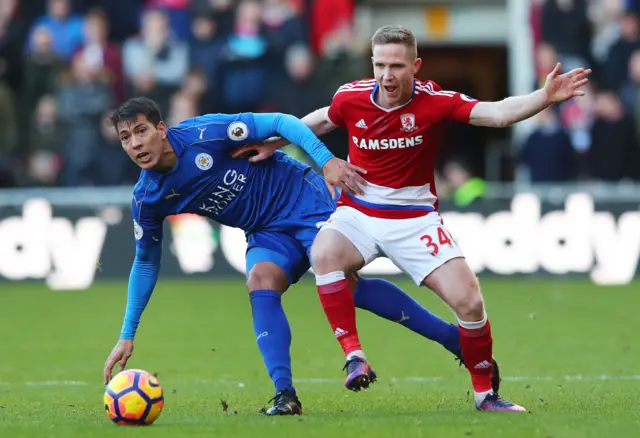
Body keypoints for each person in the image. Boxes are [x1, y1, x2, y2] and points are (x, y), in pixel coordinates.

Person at [233, 25, 591, 412]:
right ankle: (354, 355)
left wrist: (544, 97)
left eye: (397, 66)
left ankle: (486, 395)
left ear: (415, 65)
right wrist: (273, 141)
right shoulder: (351, 98)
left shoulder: (435, 101)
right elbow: (321, 120)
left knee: (469, 303)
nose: (387, 75)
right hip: (360, 211)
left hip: (415, 218)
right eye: (380, 65)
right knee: (324, 253)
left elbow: (496, 114)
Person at [102, 97, 497, 416]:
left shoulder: (206, 133)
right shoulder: (148, 197)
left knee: (349, 288)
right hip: (266, 230)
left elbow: (283, 121)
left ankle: (453, 339)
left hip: (307, 200)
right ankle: (285, 394)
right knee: (260, 281)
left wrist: (325, 162)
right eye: (125, 138)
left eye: (141, 131)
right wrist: (126, 334)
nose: (135, 144)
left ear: (161, 129)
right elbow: (147, 261)